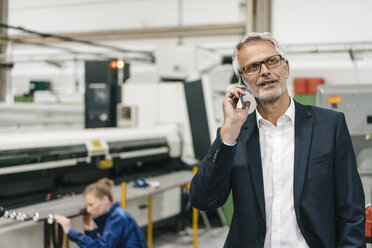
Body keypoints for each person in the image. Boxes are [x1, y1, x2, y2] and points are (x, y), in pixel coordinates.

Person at [190, 32, 366, 247]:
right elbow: (203, 200)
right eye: (252, 67)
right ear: (242, 81)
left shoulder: (329, 126)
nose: (265, 72)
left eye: (272, 61)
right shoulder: (236, 135)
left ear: (286, 68)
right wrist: (227, 135)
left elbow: (351, 208)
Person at [54, 178, 147, 248]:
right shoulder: (110, 218)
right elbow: (102, 243)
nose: (88, 210)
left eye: (91, 205)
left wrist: (70, 231)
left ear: (105, 199)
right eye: (87, 206)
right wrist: (90, 231)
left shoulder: (118, 217)